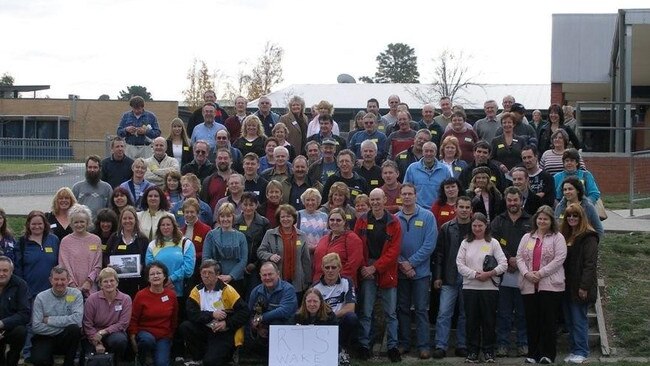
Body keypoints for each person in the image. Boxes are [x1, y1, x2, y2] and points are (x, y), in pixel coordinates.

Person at [354, 188, 402, 362]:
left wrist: (375, 268)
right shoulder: (362, 220)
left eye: (378, 199)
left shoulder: (394, 222)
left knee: (391, 313)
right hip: (366, 269)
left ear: (384, 200)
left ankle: (392, 347)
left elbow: (394, 251)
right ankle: (364, 346)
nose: (375, 203)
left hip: (386, 270)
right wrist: (364, 267)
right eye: (372, 200)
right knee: (366, 312)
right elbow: (357, 245)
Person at [516, 205, 567, 364]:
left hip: (550, 286)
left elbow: (559, 259)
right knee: (532, 321)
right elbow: (519, 257)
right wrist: (526, 273)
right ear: (535, 219)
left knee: (548, 321)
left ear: (551, 220)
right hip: (529, 285)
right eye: (540, 218)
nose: (542, 221)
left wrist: (541, 273)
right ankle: (533, 354)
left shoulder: (558, 237)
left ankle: (547, 354)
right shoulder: (527, 237)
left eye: (545, 219)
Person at [456, 213, 507, 363]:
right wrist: (475, 274)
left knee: (489, 321)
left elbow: (503, 264)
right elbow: (459, 264)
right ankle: (472, 351)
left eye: (480, 225)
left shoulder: (493, 243)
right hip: (470, 287)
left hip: (489, 288)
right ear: (471, 226)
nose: (477, 228)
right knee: (471, 321)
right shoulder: (465, 243)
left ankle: (489, 352)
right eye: (474, 225)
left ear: (486, 226)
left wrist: (490, 273)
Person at [180, 259, 250, 366]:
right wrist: (211, 315)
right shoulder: (196, 291)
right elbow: (191, 313)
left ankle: (228, 355)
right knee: (186, 326)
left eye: (210, 273)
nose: (206, 276)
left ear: (217, 275)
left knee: (211, 362)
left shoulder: (228, 290)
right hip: (204, 328)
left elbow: (244, 312)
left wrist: (227, 323)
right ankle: (198, 357)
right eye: (204, 273)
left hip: (223, 331)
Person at [395, 183, 437, 359]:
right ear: (400, 196)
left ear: (415, 196)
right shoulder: (394, 218)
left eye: (410, 194)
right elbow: (391, 247)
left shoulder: (427, 216)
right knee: (402, 309)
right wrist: (402, 264)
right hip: (400, 272)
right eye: (403, 194)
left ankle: (423, 346)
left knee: (420, 309)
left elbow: (429, 245)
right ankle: (404, 344)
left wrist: (411, 264)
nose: (406, 197)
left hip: (421, 273)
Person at [490, 187, 532, 358]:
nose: (513, 203)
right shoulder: (498, 221)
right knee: (504, 313)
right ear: (506, 201)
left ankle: (523, 344)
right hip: (504, 274)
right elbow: (493, 243)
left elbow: (534, 243)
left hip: (525, 274)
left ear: (521, 200)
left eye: (516, 200)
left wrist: (518, 260)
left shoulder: (531, 220)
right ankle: (502, 344)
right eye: (510, 200)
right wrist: (508, 259)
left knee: (523, 313)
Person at [431, 196, 473, 359]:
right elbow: (439, 254)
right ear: (455, 208)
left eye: (467, 207)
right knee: (444, 312)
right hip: (449, 276)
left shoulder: (475, 228)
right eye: (461, 207)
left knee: (465, 313)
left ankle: (462, 345)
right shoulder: (446, 228)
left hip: (469, 277)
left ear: (471, 210)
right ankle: (441, 345)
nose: (464, 210)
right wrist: (438, 276)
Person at [559, 203, 599, 364]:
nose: (572, 218)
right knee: (569, 321)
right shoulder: (566, 235)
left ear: (581, 217)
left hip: (580, 286)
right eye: (569, 216)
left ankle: (582, 351)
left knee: (579, 320)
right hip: (566, 285)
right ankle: (574, 349)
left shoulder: (589, 237)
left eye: (575, 215)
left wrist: (584, 287)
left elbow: (590, 264)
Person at [31, 266, 83, 366]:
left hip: (66, 339)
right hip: (45, 337)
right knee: (38, 360)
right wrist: (63, 328)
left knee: (74, 329)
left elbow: (77, 320)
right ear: (51, 280)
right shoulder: (41, 297)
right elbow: (36, 326)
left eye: (63, 279)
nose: (59, 283)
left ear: (68, 280)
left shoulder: (76, 294)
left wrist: (49, 320)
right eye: (56, 279)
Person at [311, 253, 357, 365]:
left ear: (339, 268)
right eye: (327, 267)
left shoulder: (347, 282)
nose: (330, 270)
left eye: (333, 267)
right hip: (322, 321)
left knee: (352, 318)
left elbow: (351, 308)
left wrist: (332, 316)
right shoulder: (315, 287)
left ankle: (343, 349)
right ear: (322, 268)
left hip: (338, 319)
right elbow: (311, 310)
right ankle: (337, 352)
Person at [129, 261, 178, 366]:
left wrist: (170, 336)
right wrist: (132, 338)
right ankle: (143, 358)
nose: (155, 276)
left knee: (162, 364)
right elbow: (133, 318)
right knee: (147, 340)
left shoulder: (171, 295)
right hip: (145, 335)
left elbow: (174, 318)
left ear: (164, 276)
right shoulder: (141, 295)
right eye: (152, 274)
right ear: (148, 278)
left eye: (159, 273)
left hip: (163, 336)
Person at [257, 205, 311, 298]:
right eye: (283, 217)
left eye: (288, 216)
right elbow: (260, 251)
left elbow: (306, 260)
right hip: (276, 281)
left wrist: (307, 280)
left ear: (294, 218)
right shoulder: (270, 234)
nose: (286, 219)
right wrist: (270, 256)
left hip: (297, 282)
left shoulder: (302, 235)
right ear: (279, 218)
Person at [81, 267, 132, 365]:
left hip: (114, 333)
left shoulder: (125, 299)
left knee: (120, 341)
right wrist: (97, 343)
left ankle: (116, 362)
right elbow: (87, 323)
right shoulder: (92, 299)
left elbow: (123, 323)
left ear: (117, 282)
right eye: (105, 281)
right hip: (92, 334)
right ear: (100, 285)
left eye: (112, 280)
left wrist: (103, 332)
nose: (109, 284)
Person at [247, 262, 297, 352]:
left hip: (284, 327)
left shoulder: (288, 289)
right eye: (264, 275)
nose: (267, 278)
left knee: (275, 324)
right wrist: (257, 327)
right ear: (260, 276)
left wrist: (261, 318)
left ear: (278, 274)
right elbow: (250, 312)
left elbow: (284, 310)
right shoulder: (256, 291)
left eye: (270, 274)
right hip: (263, 326)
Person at [145, 217, 196, 299]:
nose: (165, 227)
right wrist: (163, 281)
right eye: (163, 225)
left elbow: (188, 269)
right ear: (159, 228)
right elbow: (149, 268)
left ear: (174, 226)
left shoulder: (186, 243)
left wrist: (171, 279)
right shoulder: (152, 245)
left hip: (181, 293)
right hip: (158, 292)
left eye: (168, 224)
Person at [203, 203, 248, 295]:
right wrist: (215, 275)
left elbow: (243, 260)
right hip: (214, 279)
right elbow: (206, 258)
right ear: (218, 218)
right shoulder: (211, 235)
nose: (225, 219)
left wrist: (231, 276)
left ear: (233, 217)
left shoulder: (241, 236)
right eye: (222, 216)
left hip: (236, 280)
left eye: (228, 216)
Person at [104, 206, 149, 298]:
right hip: (117, 283)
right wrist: (108, 264)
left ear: (135, 220)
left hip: (137, 283)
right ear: (121, 220)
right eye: (124, 218)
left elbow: (147, 259)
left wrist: (142, 266)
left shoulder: (143, 239)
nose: (127, 221)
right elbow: (106, 255)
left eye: (130, 218)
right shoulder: (114, 237)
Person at [58, 204, 102, 297]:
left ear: (88, 222)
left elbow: (98, 265)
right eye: (76, 222)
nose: (79, 224)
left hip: (91, 288)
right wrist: (72, 284)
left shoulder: (96, 240)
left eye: (82, 221)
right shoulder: (65, 241)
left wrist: (89, 282)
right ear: (71, 223)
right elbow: (63, 265)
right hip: (70, 289)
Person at [312, 208, 364, 286]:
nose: (335, 222)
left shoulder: (352, 238)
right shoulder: (324, 239)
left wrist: (334, 278)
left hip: (341, 284)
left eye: (338, 220)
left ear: (344, 222)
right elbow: (316, 262)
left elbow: (353, 264)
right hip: (319, 283)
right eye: (332, 220)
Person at [15, 211, 60, 298]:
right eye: (33, 224)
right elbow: (18, 268)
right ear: (28, 224)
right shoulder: (22, 243)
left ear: (45, 224)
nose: (37, 226)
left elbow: (60, 263)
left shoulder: (54, 240)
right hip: (30, 293)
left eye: (40, 223)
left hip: (52, 292)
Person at [234, 193, 270, 297]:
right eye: (245, 204)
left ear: (256, 205)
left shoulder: (264, 223)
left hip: (256, 266)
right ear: (241, 205)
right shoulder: (234, 222)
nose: (248, 207)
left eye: (251, 204)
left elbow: (265, 247)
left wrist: (255, 264)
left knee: (253, 295)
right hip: (237, 265)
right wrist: (242, 264)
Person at [0, 256, 30, 366]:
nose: (1, 274)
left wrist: (3, 324)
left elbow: (24, 313)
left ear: (11, 271)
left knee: (21, 331)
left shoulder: (20, 285)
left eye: (5, 270)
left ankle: (12, 360)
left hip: (10, 327)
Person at [403, 141, 452, 209]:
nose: (429, 154)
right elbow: (406, 190)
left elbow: (449, 192)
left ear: (436, 152)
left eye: (431, 151)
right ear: (422, 152)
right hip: (417, 209)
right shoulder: (412, 168)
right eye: (426, 151)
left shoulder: (444, 170)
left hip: (438, 209)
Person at [180, 198, 211, 286]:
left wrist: (190, 256)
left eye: (192, 212)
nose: (189, 214)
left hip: (199, 270)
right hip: (183, 271)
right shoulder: (180, 231)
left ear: (197, 213)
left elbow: (207, 252)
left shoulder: (206, 229)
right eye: (187, 212)